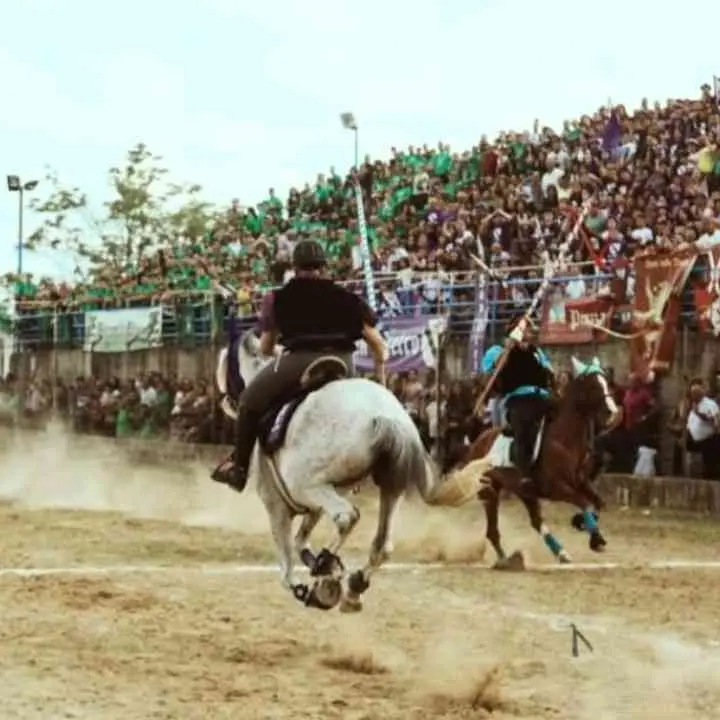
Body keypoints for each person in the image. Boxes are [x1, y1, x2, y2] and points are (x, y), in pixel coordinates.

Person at [212, 239, 387, 491]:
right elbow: (379, 347)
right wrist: (381, 383)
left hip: (299, 361)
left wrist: (278, 351)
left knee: (249, 401)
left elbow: (264, 348)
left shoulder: (277, 298)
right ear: (324, 267)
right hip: (344, 364)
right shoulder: (348, 298)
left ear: (294, 267)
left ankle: (239, 470)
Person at [480, 314, 554, 495]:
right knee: (524, 427)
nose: (531, 333)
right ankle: (524, 475)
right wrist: (508, 350)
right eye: (527, 329)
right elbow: (490, 369)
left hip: (542, 397)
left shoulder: (536, 352)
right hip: (518, 398)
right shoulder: (498, 350)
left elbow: (549, 369)